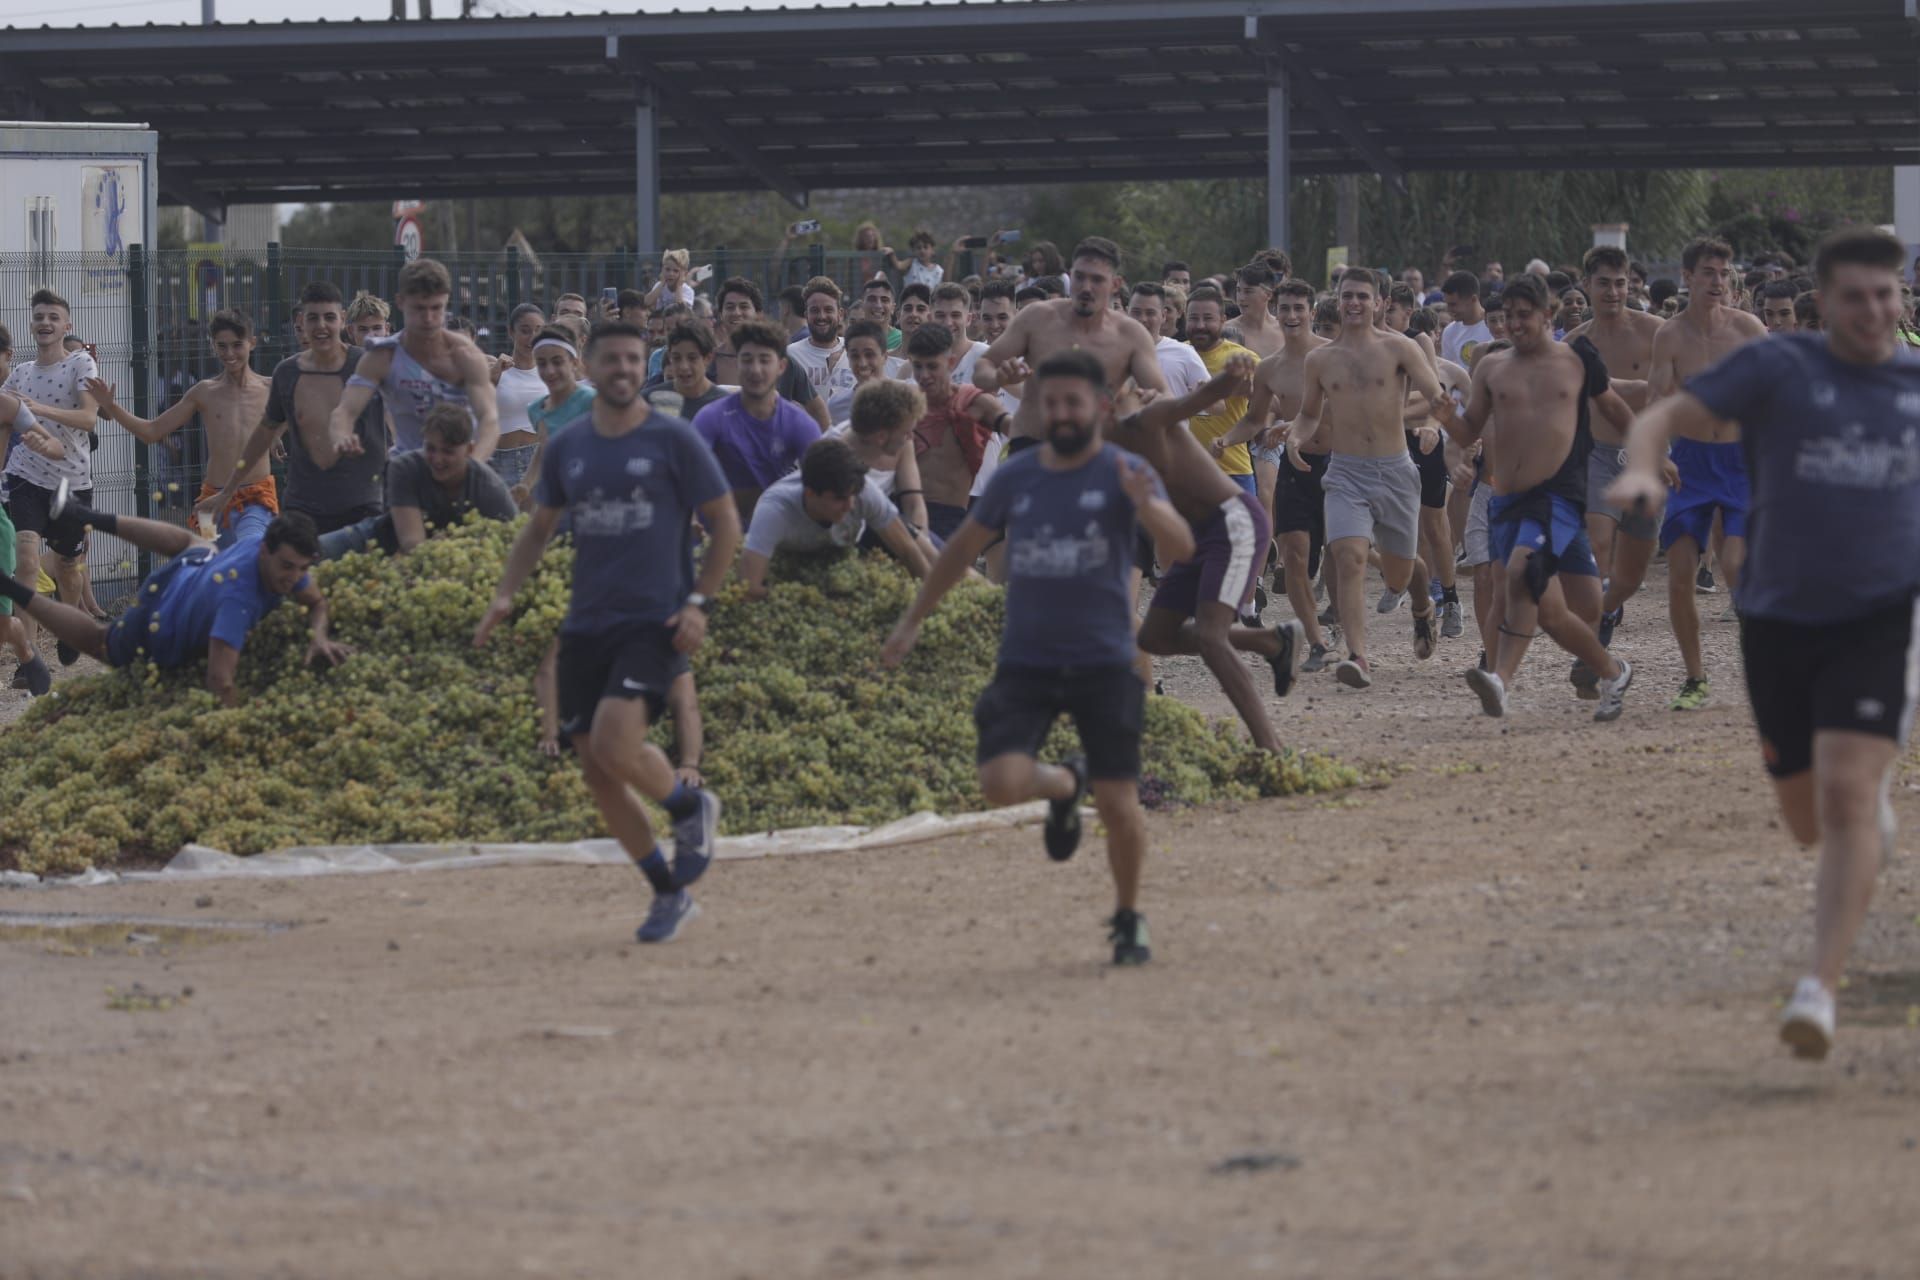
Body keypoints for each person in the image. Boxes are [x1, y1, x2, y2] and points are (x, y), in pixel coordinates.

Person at [1608, 228, 1920, 1060]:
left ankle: (1818, 989)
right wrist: (1642, 471)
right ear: (1823, 304)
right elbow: (1664, 415)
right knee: (1809, 820)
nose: (1874, 311)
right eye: (1856, 297)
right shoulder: (1782, 367)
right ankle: (1854, 810)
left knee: (1849, 797)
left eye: (1887, 295)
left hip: (1878, 617)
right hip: (1779, 618)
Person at [882, 350, 1196, 967]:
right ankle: (1062, 782)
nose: (1061, 413)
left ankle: (1128, 916)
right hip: (1027, 658)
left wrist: (1149, 505)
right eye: (1049, 403)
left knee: (1119, 803)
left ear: (1100, 407)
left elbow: (1180, 547)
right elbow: (959, 550)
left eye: (1073, 403)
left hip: (1106, 661)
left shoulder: (1125, 471)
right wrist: (914, 617)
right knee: (999, 783)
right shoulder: (1014, 477)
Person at [475, 320, 740, 946]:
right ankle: (667, 892)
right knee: (597, 772)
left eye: (631, 359)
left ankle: (686, 806)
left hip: (654, 619)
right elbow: (538, 529)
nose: (622, 368)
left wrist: (700, 602)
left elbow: (726, 525)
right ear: (591, 369)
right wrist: (506, 595)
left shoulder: (674, 440)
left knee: (618, 743)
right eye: (610, 360)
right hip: (586, 622)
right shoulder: (569, 448)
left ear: (639, 366)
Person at [1444, 276, 1635, 722]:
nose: (1514, 324)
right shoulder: (1491, 368)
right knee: (1561, 610)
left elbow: (1612, 407)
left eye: (1523, 315)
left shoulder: (1577, 359)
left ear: (1547, 317)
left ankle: (1499, 680)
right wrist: (1445, 419)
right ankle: (1612, 671)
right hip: (1505, 502)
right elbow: (1469, 430)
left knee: (1520, 574)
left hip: (1556, 496)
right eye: (1508, 316)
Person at [0, 488, 346, 706]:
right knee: (100, 642)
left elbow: (316, 602)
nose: (294, 577)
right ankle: (11, 586)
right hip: (162, 617)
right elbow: (219, 682)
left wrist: (319, 634)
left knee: (194, 544)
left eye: (302, 568)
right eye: (288, 566)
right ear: (265, 552)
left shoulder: (276, 556)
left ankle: (87, 516)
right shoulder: (238, 602)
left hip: (199, 567)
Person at [1120, 352, 1306, 755]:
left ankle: (1270, 748)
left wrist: (1230, 377)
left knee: (1209, 635)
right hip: (1199, 533)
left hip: (1234, 521)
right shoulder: (1097, 442)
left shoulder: (1149, 418)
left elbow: (1196, 400)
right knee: (1155, 635)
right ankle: (1270, 642)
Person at [1282, 269, 1456, 688]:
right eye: (1347, 296)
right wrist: (1294, 437)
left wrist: (1434, 424)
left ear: (1380, 302)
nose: (1354, 303)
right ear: (1338, 301)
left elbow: (1437, 396)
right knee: (1348, 556)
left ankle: (1420, 603)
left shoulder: (1400, 347)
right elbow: (1308, 413)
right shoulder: (1320, 359)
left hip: (1395, 470)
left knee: (1398, 572)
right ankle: (1357, 656)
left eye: (1363, 296)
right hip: (1345, 472)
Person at [1647, 236, 1769, 710]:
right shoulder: (1670, 335)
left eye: (1724, 273)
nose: (1718, 281)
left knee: (1737, 566)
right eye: (1708, 273)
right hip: (1692, 462)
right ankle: (1695, 677)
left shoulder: (1749, 329)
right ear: (1689, 277)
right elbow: (1656, 399)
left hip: (1741, 461)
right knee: (1680, 574)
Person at [197, 283, 388, 541]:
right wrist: (228, 490)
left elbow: (402, 417)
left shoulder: (368, 366)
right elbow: (263, 435)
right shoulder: (287, 373)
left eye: (329, 317)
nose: (321, 326)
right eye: (313, 318)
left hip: (362, 505)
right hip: (304, 509)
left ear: (342, 320)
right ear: (302, 322)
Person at [1223, 279, 1336, 670]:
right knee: (1293, 555)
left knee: (1343, 555)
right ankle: (1317, 643)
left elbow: (1349, 411)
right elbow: (1254, 420)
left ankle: (1348, 618)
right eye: (1285, 308)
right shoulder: (1270, 367)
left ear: (1312, 312)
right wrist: (1222, 442)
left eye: (1298, 309)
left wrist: (1294, 424)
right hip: (1293, 467)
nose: (1290, 316)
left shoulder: (1331, 356)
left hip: (1337, 465)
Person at [92, 308, 275, 547]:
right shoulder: (204, 392)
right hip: (211, 503)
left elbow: (292, 419)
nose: (229, 353)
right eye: (222, 346)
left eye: (237, 345)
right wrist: (112, 407)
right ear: (213, 346)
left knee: (250, 549)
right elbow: (152, 432)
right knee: (213, 565)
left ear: (252, 343)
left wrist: (276, 435)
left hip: (255, 499)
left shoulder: (270, 387)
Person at [974, 237, 1169, 450]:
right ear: (1070, 275)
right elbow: (983, 368)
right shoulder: (1037, 318)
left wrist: (1145, 402)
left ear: (1115, 284)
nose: (1086, 287)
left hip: (1093, 454)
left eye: (1097, 280)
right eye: (1079, 277)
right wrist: (998, 378)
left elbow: (1162, 395)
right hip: (1032, 447)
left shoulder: (1130, 335)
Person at [3, 288, 100, 686]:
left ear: (67, 325)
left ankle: (71, 623)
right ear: (31, 324)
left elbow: (90, 419)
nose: (45, 323)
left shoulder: (81, 363)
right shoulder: (21, 372)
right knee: (26, 560)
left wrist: (36, 410)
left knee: (67, 567)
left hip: (70, 481)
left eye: (53, 317)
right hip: (25, 476)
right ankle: (27, 661)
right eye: (39, 316)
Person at [1564, 246, 1666, 621]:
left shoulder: (1656, 332)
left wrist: (1606, 384)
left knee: (1634, 571)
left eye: (1620, 284)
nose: (1613, 292)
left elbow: (1668, 389)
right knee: (1597, 540)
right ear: (1587, 285)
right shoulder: (1574, 342)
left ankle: (1607, 606)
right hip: (1596, 453)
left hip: (1646, 455)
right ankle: (1595, 631)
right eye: (1604, 283)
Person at [329, 258, 501, 462]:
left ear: (446, 301)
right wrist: (342, 437)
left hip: (462, 468)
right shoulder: (383, 356)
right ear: (400, 302)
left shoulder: (466, 355)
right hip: (408, 470)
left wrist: (474, 463)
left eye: (436, 308)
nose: (428, 318)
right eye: (419, 308)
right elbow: (345, 412)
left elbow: (489, 420)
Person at [739, 436, 932, 597]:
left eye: (852, 496)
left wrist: (930, 596)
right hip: (787, 563)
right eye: (839, 499)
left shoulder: (863, 492)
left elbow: (908, 550)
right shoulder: (774, 510)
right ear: (810, 494)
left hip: (845, 550)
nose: (849, 506)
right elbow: (750, 586)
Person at [318, 404, 516, 559]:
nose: (437, 459)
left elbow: (515, 538)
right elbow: (412, 544)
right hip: (383, 540)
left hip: (460, 560)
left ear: (469, 450)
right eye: (430, 448)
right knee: (314, 551)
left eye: (448, 451)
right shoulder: (404, 467)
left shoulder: (488, 485)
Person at [691, 320, 821, 520]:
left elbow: (819, 487)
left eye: (764, 360)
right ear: (737, 363)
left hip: (777, 533)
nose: (755, 369)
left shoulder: (800, 424)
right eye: (747, 359)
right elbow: (690, 477)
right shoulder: (711, 417)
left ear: (781, 366)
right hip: (716, 533)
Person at [905, 322, 1008, 541]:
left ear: (950, 363)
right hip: (903, 512)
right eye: (917, 366)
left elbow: (1020, 430)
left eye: (932, 366)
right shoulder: (902, 404)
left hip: (950, 518)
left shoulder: (974, 402)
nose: (924, 375)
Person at [710, 277, 830, 428]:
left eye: (744, 306)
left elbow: (818, 410)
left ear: (758, 313)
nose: (736, 312)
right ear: (721, 314)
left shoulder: (784, 363)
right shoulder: (709, 362)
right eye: (729, 307)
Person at [829, 378, 932, 545]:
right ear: (881, 437)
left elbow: (914, 502)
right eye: (907, 433)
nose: (911, 438)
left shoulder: (903, 442)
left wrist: (923, 540)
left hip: (888, 517)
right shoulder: (834, 453)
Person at [1186, 287, 1260, 502]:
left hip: (1233, 470)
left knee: (1242, 536)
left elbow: (1271, 405)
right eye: (1194, 318)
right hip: (1184, 471)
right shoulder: (1177, 354)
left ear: (1223, 320)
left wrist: (1247, 388)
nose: (1200, 325)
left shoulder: (1243, 358)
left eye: (1208, 318)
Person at [518, 324, 595, 505]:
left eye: (557, 361)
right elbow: (544, 450)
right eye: (542, 363)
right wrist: (525, 485)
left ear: (574, 362)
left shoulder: (592, 400)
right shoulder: (536, 409)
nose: (549, 371)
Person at [488, 303, 548, 490]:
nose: (532, 338)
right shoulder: (497, 369)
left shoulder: (549, 372)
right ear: (511, 332)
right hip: (499, 460)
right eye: (525, 330)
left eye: (538, 330)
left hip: (538, 460)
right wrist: (493, 377)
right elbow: (476, 409)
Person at [644, 318, 729, 420]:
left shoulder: (725, 405)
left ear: (708, 358)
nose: (683, 366)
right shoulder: (649, 401)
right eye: (677, 358)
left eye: (692, 358)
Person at [784, 276, 848, 403]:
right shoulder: (790, 355)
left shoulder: (854, 351)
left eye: (828, 310)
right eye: (815, 310)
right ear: (806, 315)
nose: (822, 316)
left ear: (840, 314)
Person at [1230, 263, 1285, 359]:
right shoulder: (1227, 330)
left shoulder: (1284, 330)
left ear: (1268, 294)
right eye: (1238, 290)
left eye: (1248, 291)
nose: (1241, 298)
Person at [1439, 272, 1492, 367]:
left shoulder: (1495, 327)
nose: (1448, 310)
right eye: (1447, 304)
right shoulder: (1449, 332)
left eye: (1453, 304)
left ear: (1473, 299)